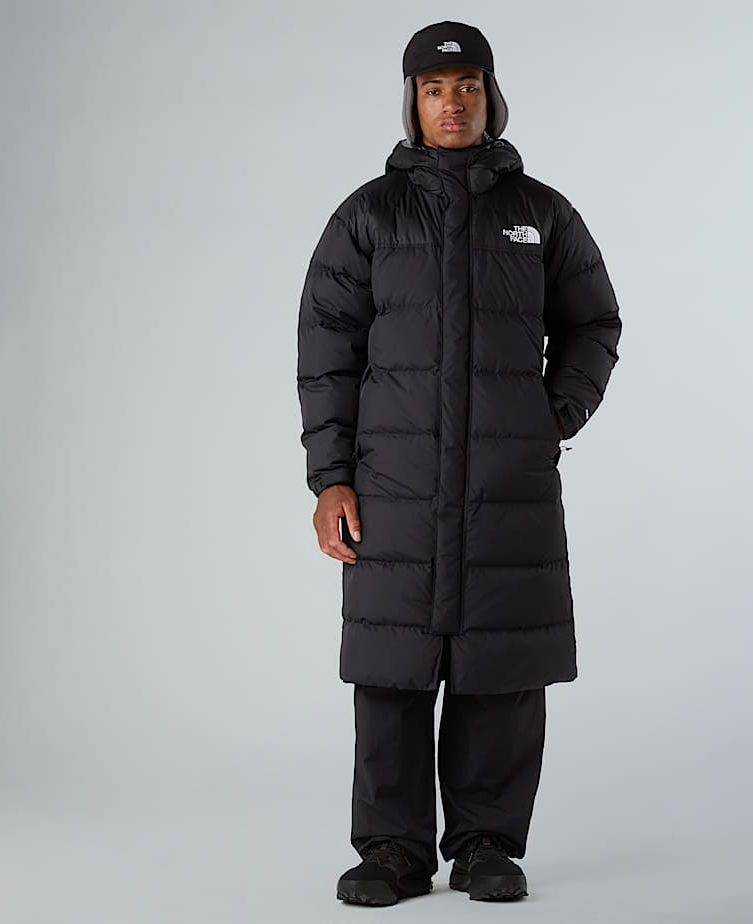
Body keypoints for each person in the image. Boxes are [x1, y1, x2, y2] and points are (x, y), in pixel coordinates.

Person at [296, 20, 622, 906]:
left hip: (505, 487)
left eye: (468, 86)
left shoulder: (541, 214)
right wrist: (330, 476)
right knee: (391, 667)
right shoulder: (368, 215)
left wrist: (551, 415)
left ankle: (486, 845)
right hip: (393, 487)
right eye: (435, 88)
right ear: (412, 101)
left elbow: (595, 321)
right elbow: (325, 348)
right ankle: (392, 850)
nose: (452, 102)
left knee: (499, 666)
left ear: (491, 96)